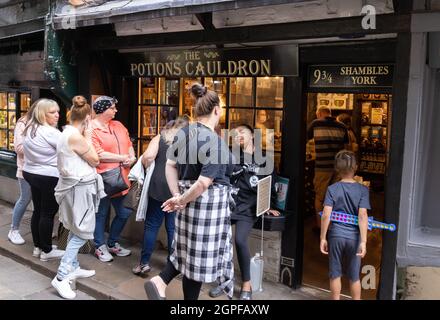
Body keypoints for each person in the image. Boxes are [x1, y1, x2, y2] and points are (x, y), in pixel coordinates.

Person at [144, 83, 234, 300]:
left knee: (188, 255)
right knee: (198, 260)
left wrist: (178, 196)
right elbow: (203, 183)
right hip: (207, 207)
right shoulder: (216, 142)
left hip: (188, 203)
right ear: (217, 110)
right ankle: (166, 285)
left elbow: (170, 165)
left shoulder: (185, 131)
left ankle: (161, 281)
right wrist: (181, 199)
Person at [209, 124, 279, 300]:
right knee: (219, 241)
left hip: (248, 206)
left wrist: (268, 204)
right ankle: (224, 281)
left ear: (252, 135)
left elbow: (270, 183)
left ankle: (246, 284)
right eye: (235, 133)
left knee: (239, 240)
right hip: (229, 203)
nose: (238, 135)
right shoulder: (231, 155)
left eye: (242, 132)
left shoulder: (264, 158)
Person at [52, 96, 104, 299]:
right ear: (87, 119)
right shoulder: (76, 136)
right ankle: (61, 276)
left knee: (76, 227)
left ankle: (72, 266)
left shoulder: (67, 132)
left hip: (75, 188)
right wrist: (89, 134)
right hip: (79, 189)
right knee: (83, 231)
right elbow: (95, 159)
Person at [132, 117, 189, 277]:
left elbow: (148, 157)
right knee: (173, 228)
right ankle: (172, 266)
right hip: (176, 189)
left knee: (151, 226)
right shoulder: (189, 142)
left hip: (157, 186)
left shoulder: (161, 136)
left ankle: (144, 263)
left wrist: (147, 164)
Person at [91, 96, 137, 262]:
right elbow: (97, 154)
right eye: (112, 108)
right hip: (102, 178)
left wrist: (131, 158)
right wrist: (122, 157)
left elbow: (129, 144)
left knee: (124, 212)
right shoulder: (92, 129)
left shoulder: (118, 125)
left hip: (122, 178)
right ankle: (99, 246)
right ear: (103, 110)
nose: (115, 110)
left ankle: (112, 242)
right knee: (101, 214)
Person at [320, 150, 370, 300]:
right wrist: (364, 241)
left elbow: (326, 214)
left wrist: (323, 237)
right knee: (354, 276)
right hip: (354, 237)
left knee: (335, 272)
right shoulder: (363, 190)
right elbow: (362, 215)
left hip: (336, 235)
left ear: (337, 169)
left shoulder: (332, 189)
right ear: (356, 167)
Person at [22, 98, 65, 261]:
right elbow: (68, 150)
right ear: (42, 114)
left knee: (38, 211)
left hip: (31, 173)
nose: (57, 115)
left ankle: (38, 247)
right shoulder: (51, 132)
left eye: (58, 112)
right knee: (47, 213)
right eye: (52, 112)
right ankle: (47, 251)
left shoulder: (30, 128)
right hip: (48, 176)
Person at [307, 106, 349, 233]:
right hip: (338, 167)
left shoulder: (316, 123)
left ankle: (321, 227)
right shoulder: (342, 126)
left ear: (319, 113)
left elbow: (306, 139)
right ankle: (332, 226)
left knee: (320, 197)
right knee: (334, 197)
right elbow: (346, 148)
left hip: (322, 167)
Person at [7, 101, 38, 245]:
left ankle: (39, 230)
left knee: (40, 202)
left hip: (43, 171)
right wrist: (41, 149)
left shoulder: (45, 124)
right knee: (25, 199)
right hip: (26, 169)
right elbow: (19, 148)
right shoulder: (23, 123)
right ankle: (13, 230)